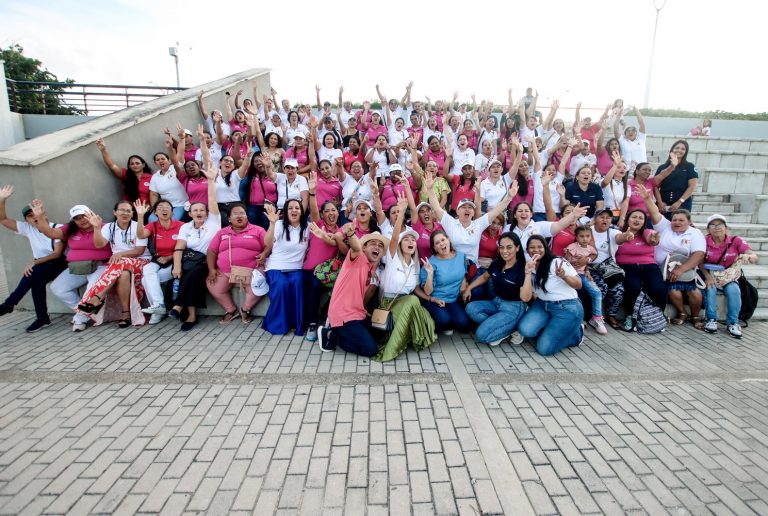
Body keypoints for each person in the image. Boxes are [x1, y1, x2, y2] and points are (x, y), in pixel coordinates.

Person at [372, 194, 436, 361]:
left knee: (427, 318)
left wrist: (430, 281)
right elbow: (394, 236)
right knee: (413, 302)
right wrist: (401, 211)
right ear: (400, 244)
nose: (410, 241)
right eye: (406, 239)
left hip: (405, 302)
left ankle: (406, 338)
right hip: (389, 303)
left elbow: (416, 289)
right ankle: (391, 348)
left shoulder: (416, 265)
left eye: (413, 240)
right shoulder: (392, 257)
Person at [31, 202, 113, 332]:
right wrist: (40, 216)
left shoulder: (105, 227)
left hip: (101, 266)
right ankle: (85, 312)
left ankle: (80, 318)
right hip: (78, 267)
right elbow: (50, 233)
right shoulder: (70, 229)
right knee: (58, 288)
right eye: (77, 218)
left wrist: (96, 227)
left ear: (91, 214)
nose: (81, 220)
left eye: (84, 216)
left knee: (91, 289)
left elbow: (100, 245)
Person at [72, 200, 151, 328]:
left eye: (128, 211)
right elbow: (99, 244)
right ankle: (126, 313)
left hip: (141, 261)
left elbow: (139, 251)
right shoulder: (109, 227)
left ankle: (97, 297)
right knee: (123, 275)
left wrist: (120, 254)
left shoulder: (138, 226)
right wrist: (97, 228)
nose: (125, 213)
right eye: (122, 210)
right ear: (115, 212)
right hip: (120, 265)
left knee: (121, 263)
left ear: (132, 214)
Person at [0, 185, 66, 332]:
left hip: (59, 263)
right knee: (36, 280)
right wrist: (2, 199)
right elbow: (3, 219)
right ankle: (42, 318)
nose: (35, 217)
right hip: (41, 266)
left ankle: (9, 305)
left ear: (44, 214)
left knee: (35, 271)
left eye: (37, 213)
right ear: (26, 221)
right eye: (30, 216)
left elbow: (57, 254)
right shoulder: (28, 229)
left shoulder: (58, 227)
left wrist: (34, 262)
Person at [638, 184, 706, 328]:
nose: (677, 223)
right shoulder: (665, 226)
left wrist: (680, 270)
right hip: (664, 270)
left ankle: (695, 316)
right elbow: (655, 213)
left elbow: (699, 255)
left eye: (681, 220)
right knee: (674, 291)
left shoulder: (695, 233)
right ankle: (682, 313)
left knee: (695, 293)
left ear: (689, 222)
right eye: (675, 220)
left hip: (686, 269)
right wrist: (646, 198)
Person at [316, 228, 389, 356]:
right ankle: (332, 334)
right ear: (364, 248)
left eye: (380, 246)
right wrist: (351, 233)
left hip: (358, 314)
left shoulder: (371, 269)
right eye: (373, 244)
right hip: (344, 316)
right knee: (370, 349)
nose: (377, 247)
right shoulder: (358, 258)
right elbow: (355, 247)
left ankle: (339, 331)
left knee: (381, 333)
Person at [517, 235, 585, 356]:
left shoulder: (557, 262)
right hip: (542, 305)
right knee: (525, 330)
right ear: (527, 250)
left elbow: (579, 284)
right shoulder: (530, 266)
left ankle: (576, 333)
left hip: (566, 307)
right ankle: (555, 328)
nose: (536, 250)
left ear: (545, 248)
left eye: (539, 247)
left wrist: (564, 276)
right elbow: (526, 297)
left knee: (544, 349)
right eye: (532, 247)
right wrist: (527, 272)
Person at [169, 179, 221, 331]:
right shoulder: (185, 227)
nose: (199, 212)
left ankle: (179, 306)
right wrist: (176, 266)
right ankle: (190, 315)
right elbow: (179, 248)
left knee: (195, 273)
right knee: (188, 274)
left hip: (207, 261)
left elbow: (211, 199)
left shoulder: (214, 222)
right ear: (190, 213)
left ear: (206, 212)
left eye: (202, 210)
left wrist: (211, 180)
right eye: (195, 210)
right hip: (189, 261)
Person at [206, 203, 268, 324]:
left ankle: (245, 309)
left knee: (259, 288)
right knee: (213, 285)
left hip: (252, 270)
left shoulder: (258, 230)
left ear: (247, 216)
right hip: (226, 271)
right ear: (229, 218)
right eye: (235, 214)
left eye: (242, 213)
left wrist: (264, 253)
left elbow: (268, 246)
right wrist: (211, 269)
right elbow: (211, 251)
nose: (239, 216)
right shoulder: (222, 233)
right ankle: (230, 310)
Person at [463, 232, 528, 346]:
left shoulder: (521, 269)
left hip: (513, 308)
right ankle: (502, 327)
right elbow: (484, 276)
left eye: (509, 247)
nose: (504, 251)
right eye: (501, 247)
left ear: (517, 248)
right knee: (471, 308)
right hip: (497, 302)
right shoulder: (497, 263)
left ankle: (509, 329)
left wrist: (528, 274)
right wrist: (469, 288)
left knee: (481, 335)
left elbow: (526, 297)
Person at [700, 214, 758, 338]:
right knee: (710, 289)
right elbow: (699, 261)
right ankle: (711, 320)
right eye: (713, 225)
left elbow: (752, 255)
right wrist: (707, 276)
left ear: (726, 227)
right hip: (710, 274)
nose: (717, 228)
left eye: (720, 225)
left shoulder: (735, 240)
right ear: (708, 229)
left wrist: (749, 257)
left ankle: (733, 322)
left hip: (729, 276)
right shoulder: (703, 241)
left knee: (734, 291)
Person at [262, 201, 308, 336]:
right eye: (290, 208)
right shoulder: (278, 225)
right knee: (281, 285)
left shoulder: (307, 227)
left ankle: (296, 323)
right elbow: (267, 242)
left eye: (297, 208)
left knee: (298, 284)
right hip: (276, 266)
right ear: (286, 212)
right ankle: (279, 324)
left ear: (301, 211)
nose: (294, 211)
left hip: (296, 267)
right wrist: (272, 223)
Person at [615, 208, 665, 331]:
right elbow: (619, 239)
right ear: (627, 219)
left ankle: (659, 316)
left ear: (644, 222)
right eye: (634, 217)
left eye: (640, 218)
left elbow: (652, 239)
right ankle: (629, 316)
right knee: (633, 287)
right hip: (627, 266)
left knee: (657, 288)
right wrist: (625, 236)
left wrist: (654, 240)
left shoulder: (647, 232)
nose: (637, 220)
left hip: (648, 265)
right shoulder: (618, 232)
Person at [135, 199, 184, 324]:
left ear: (172, 212)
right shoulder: (153, 225)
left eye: (167, 207)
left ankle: (158, 309)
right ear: (155, 212)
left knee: (147, 280)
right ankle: (159, 306)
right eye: (160, 207)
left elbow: (186, 246)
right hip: (158, 260)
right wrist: (140, 216)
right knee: (147, 271)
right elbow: (141, 235)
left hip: (176, 261)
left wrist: (170, 257)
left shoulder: (181, 225)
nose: (164, 209)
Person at [418, 230, 470, 335]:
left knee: (463, 323)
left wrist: (465, 286)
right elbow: (427, 292)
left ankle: (448, 322)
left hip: (453, 299)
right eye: (437, 243)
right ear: (434, 248)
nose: (441, 244)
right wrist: (430, 274)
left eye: (443, 240)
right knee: (444, 319)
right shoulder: (430, 263)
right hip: (435, 300)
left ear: (448, 240)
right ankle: (433, 323)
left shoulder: (461, 256)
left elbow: (462, 274)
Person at [564, 226, 606, 335]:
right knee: (576, 296)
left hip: (583, 275)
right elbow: (567, 262)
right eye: (581, 236)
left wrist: (587, 263)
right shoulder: (572, 247)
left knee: (596, 293)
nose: (585, 239)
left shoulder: (590, 248)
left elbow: (594, 254)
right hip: (572, 275)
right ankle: (578, 320)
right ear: (576, 237)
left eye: (587, 236)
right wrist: (570, 259)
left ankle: (596, 318)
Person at [94, 139, 153, 206]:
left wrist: (150, 206)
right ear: (129, 166)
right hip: (129, 209)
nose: (135, 165)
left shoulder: (151, 178)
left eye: (137, 163)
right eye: (132, 164)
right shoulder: (126, 174)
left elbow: (155, 195)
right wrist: (103, 150)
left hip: (147, 209)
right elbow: (112, 165)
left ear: (143, 165)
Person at [656, 140, 698, 216]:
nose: (679, 150)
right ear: (672, 150)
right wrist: (660, 202)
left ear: (686, 152)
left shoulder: (689, 166)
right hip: (663, 203)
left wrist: (679, 202)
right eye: (677, 148)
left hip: (683, 203)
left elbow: (692, 186)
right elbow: (655, 186)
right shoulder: (662, 167)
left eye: (683, 149)